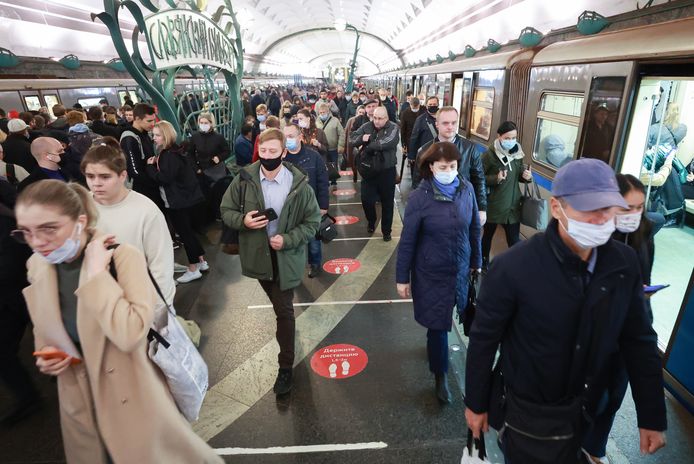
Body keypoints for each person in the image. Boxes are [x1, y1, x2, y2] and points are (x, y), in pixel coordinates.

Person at [465, 158, 667, 464]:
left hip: (587, 404)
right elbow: (484, 340)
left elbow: (638, 339)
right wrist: (476, 404)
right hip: (528, 412)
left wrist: (651, 414)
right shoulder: (514, 267)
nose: (601, 219)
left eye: (608, 208)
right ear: (557, 208)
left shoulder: (623, 263)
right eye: (588, 209)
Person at [14, 179, 222, 463]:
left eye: (49, 228)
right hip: (81, 402)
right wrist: (48, 358)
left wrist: (97, 276)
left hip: (133, 397)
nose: (37, 242)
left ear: (80, 221)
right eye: (26, 232)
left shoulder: (121, 258)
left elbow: (131, 333)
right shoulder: (38, 265)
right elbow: (45, 332)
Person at [220, 128, 321, 395]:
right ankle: (288, 344)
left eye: (273, 152)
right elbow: (226, 210)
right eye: (263, 152)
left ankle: (285, 367)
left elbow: (312, 222)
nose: (267, 157)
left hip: (286, 257)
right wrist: (244, 221)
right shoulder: (244, 179)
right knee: (280, 305)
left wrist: (287, 239)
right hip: (258, 257)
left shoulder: (299, 184)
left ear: (284, 153)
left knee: (284, 311)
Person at [396, 142, 481, 404]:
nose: (449, 171)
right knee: (438, 325)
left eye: (453, 166)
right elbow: (408, 240)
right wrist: (402, 278)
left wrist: (477, 261)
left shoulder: (466, 189)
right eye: (443, 167)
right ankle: (440, 375)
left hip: (460, 267)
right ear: (431, 167)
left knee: (459, 315)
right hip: (430, 272)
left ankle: (441, 360)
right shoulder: (420, 198)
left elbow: (475, 228)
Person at [581, 173, 656, 464]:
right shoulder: (592, 237)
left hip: (627, 328)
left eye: (639, 208)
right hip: (598, 330)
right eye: (627, 208)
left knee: (614, 395)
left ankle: (595, 449)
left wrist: (643, 294)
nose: (634, 215)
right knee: (590, 395)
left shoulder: (644, 236)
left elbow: (645, 277)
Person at [81, 142, 175, 327]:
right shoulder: (80, 208)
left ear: (123, 175)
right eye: (90, 176)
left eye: (105, 176)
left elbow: (161, 266)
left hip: (140, 305)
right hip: (99, 303)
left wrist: (158, 311)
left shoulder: (146, 210)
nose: (96, 183)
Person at [146, 121, 207, 284]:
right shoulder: (177, 151)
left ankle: (193, 268)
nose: (154, 139)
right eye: (154, 135)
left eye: (157, 135)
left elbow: (164, 178)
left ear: (166, 136)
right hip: (186, 199)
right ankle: (201, 261)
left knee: (185, 234)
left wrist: (150, 167)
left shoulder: (168, 155)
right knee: (189, 232)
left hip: (177, 201)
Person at [0, 177, 40, 425]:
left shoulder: (6, 219)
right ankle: (28, 397)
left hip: (19, 292)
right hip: (15, 294)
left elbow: (12, 261)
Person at [417, 107, 487, 225]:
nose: (450, 127)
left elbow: (479, 179)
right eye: (445, 123)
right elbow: (418, 182)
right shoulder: (424, 151)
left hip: (463, 208)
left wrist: (482, 208)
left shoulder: (470, 149)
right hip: (433, 209)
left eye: (454, 123)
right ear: (437, 124)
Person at [480, 121, 532, 268]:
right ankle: (483, 261)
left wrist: (526, 176)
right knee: (488, 235)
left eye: (514, 138)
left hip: (513, 205)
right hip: (494, 204)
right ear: (499, 137)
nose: (511, 141)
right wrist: (495, 179)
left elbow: (519, 173)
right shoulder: (489, 155)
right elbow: (477, 178)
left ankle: (516, 267)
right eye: (507, 138)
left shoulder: (518, 153)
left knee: (514, 239)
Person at [283, 123, 329, 278]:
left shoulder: (313, 156)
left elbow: (323, 181)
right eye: (285, 137)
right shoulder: (281, 159)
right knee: (292, 240)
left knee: (313, 241)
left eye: (291, 136)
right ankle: (294, 267)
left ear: (300, 137)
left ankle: (315, 264)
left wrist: (323, 205)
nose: (287, 140)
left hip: (312, 206)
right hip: (289, 209)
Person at [349, 107, 400, 241]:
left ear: (387, 118)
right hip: (369, 171)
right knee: (366, 200)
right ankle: (371, 221)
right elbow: (352, 138)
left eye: (380, 118)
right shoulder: (367, 126)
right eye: (375, 118)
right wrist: (362, 137)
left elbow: (388, 142)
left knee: (387, 203)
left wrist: (368, 143)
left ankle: (386, 231)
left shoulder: (393, 127)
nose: (376, 121)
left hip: (387, 172)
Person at [120, 103, 162, 210]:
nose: (153, 124)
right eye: (149, 121)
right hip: (142, 189)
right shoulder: (129, 138)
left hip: (151, 183)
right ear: (137, 119)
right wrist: (153, 182)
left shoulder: (145, 134)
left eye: (153, 120)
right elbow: (134, 171)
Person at [188, 112, 230, 182]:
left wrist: (219, 157)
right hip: (202, 170)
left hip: (217, 169)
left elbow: (227, 151)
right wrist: (196, 169)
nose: (203, 125)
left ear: (211, 123)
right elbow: (190, 154)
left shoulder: (218, 137)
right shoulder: (195, 137)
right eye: (201, 122)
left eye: (206, 123)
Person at [315, 101, 345, 183]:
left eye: (323, 112)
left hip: (333, 148)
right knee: (324, 165)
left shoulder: (335, 120)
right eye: (320, 112)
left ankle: (334, 179)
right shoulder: (316, 121)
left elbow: (341, 133)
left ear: (328, 112)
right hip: (322, 148)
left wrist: (340, 145)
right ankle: (326, 179)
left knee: (334, 164)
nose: (322, 114)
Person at [408, 96, 440, 162]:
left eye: (434, 104)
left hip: (440, 153)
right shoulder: (421, 120)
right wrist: (412, 155)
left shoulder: (443, 118)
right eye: (430, 105)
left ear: (438, 105)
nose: (432, 106)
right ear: (426, 106)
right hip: (426, 154)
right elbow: (414, 138)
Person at [399, 96, 422, 163]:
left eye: (416, 107)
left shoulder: (423, 111)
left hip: (420, 139)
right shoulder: (405, 113)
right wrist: (403, 144)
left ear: (419, 105)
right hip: (409, 139)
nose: (415, 109)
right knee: (412, 160)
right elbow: (403, 129)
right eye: (413, 107)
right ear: (410, 105)